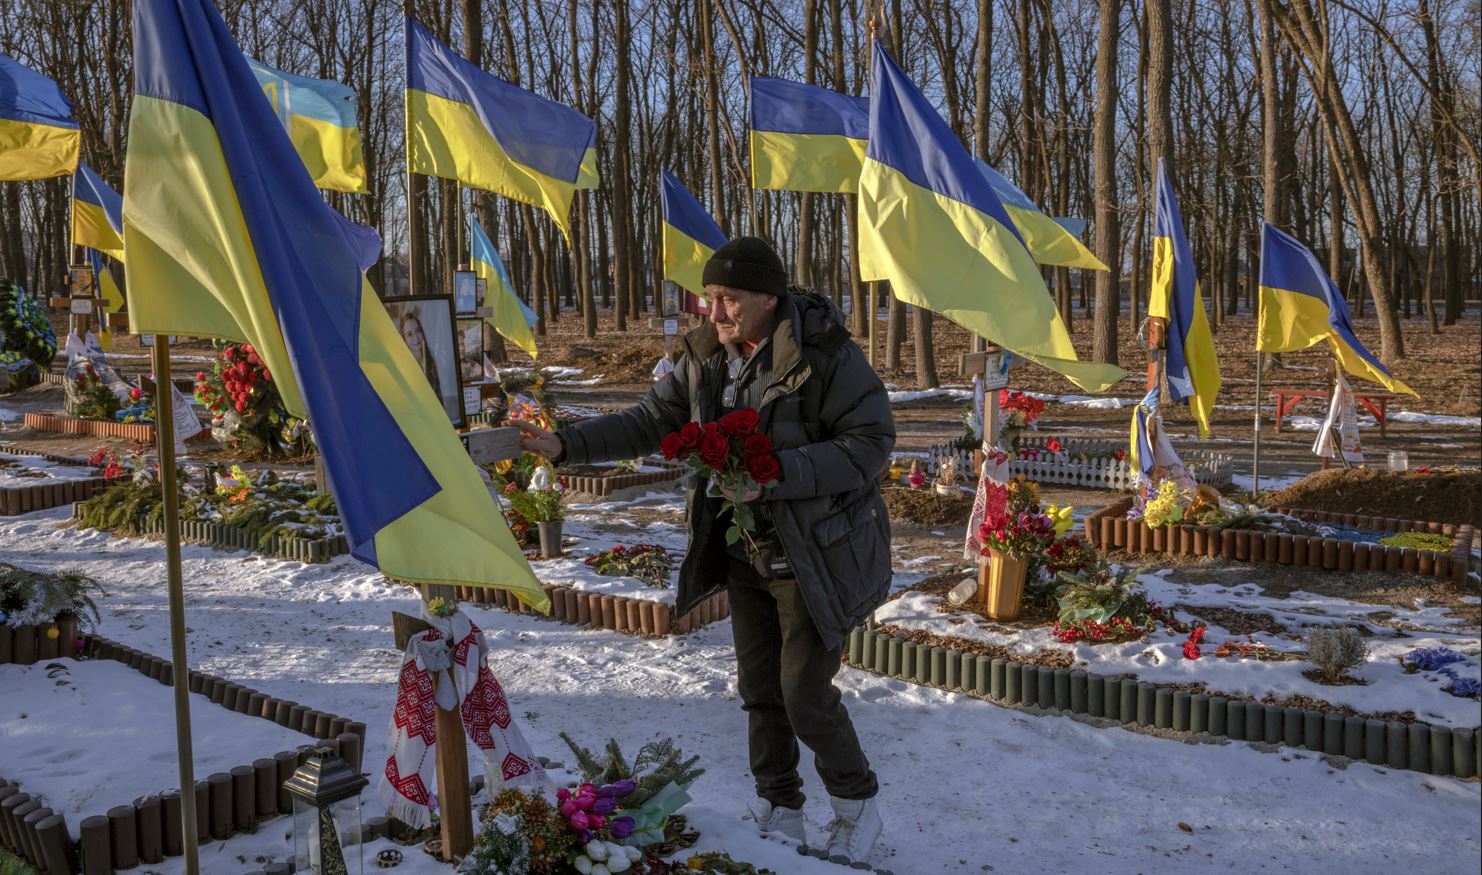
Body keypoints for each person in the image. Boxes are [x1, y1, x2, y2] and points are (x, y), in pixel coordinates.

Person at [511, 236, 894, 866]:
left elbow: (871, 442)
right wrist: (566, 445)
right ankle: (780, 807)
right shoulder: (703, 357)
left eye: (728, 300)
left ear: (768, 298)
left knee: (802, 691)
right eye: (709, 298)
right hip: (744, 549)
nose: (713, 312)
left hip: (815, 554)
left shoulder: (825, 354)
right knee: (759, 690)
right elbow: (649, 420)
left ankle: (856, 807)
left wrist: (775, 471)